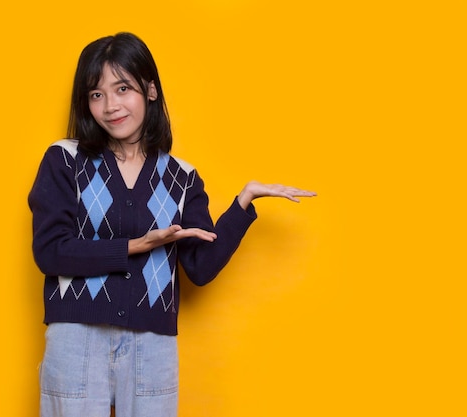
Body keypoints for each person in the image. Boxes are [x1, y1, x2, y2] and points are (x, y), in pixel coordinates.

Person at [28, 32, 316, 417]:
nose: (110, 105)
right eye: (96, 94)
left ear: (149, 89)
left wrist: (243, 203)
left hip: (152, 344)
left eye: (122, 88)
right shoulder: (65, 160)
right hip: (76, 337)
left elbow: (199, 268)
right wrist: (136, 245)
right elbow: (50, 252)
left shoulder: (182, 177)